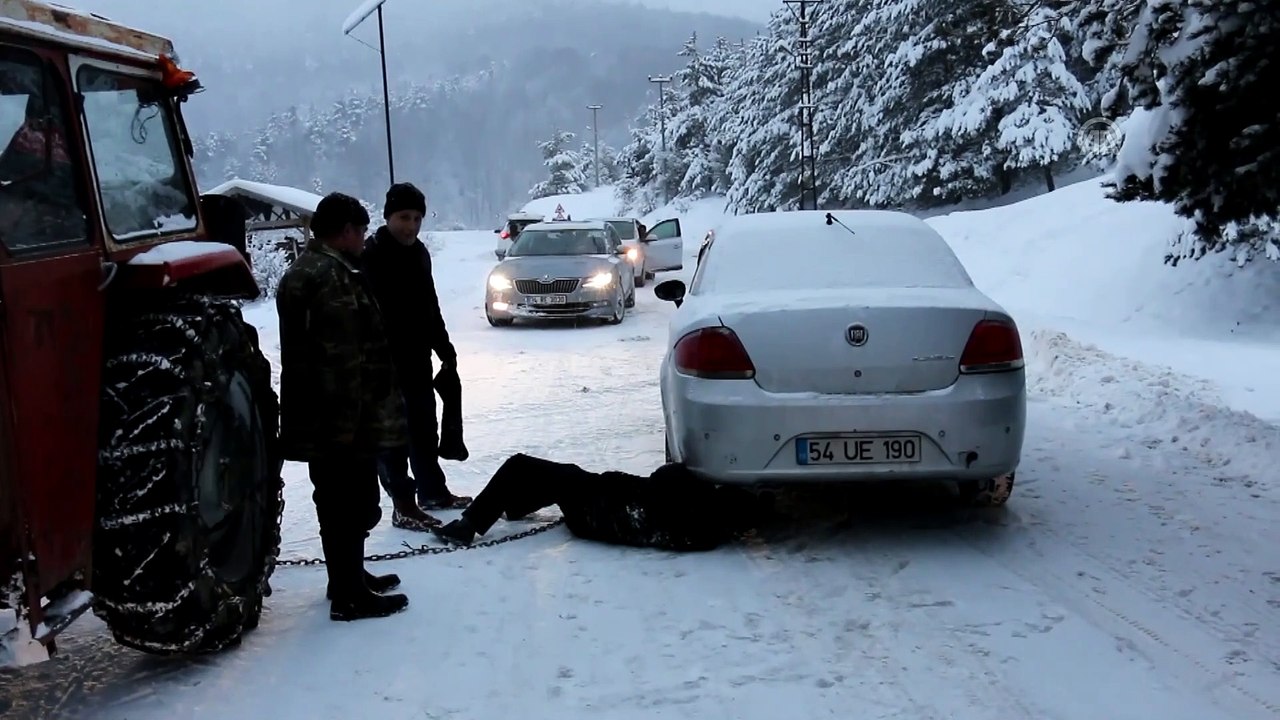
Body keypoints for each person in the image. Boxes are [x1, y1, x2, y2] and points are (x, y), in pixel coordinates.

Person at [276, 192, 410, 621]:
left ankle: (346, 579)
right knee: (349, 500)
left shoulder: (310, 270)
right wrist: (353, 423)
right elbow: (342, 357)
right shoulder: (329, 276)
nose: (363, 239)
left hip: (322, 415)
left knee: (336, 499)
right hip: (340, 418)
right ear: (348, 231)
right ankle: (350, 595)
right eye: (362, 231)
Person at [362, 182, 473, 533]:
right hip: (383, 364)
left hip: (417, 359)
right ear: (388, 217)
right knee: (393, 437)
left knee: (424, 428)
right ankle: (402, 504)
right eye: (403, 217)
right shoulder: (372, 255)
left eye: (416, 218)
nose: (410, 225)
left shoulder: (419, 253)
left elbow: (429, 305)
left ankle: (432, 492)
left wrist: (445, 348)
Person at [432, 454, 774, 552]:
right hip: (595, 520)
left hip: (594, 499)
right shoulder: (699, 536)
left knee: (520, 464)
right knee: (553, 483)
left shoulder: (689, 501)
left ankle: (469, 524)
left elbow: (664, 476)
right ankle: (510, 506)